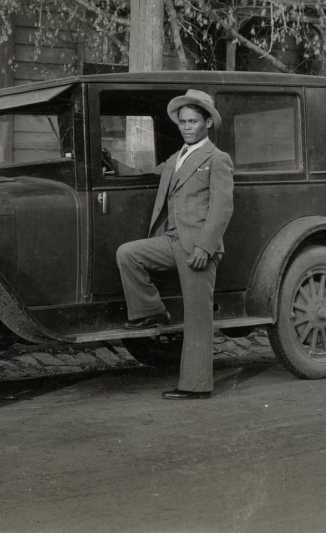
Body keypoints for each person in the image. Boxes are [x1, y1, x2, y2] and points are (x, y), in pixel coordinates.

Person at [116, 89, 234, 400]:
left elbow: (222, 208)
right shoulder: (175, 159)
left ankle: (196, 386)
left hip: (197, 247)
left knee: (197, 316)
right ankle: (152, 311)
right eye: (182, 121)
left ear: (207, 122)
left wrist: (204, 247)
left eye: (193, 121)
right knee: (128, 253)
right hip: (171, 240)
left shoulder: (217, 159)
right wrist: (111, 162)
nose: (186, 126)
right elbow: (143, 174)